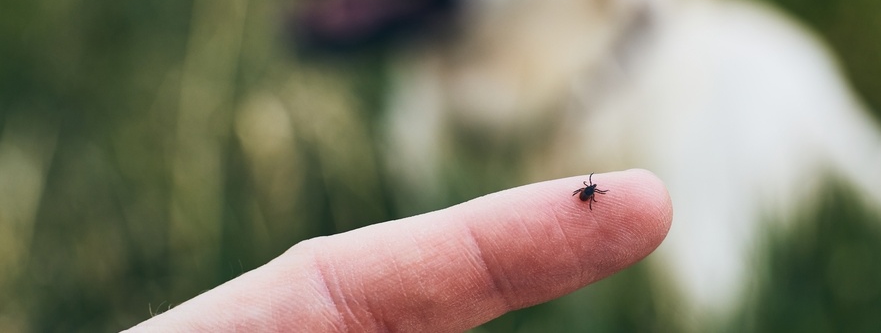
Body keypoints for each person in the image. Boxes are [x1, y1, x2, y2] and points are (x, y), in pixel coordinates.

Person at [126, 170, 671, 332]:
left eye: (589, 193)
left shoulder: (586, 195)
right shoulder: (588, 199)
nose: (588, 195)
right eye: (589, 192)